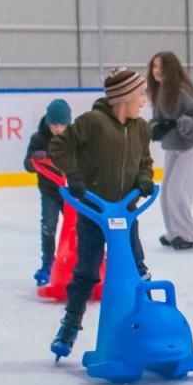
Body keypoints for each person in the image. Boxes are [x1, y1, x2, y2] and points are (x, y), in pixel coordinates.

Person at [46, 67, 154, 358]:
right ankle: (69, 326)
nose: (144, 101)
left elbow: (145, 160)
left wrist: (144, 177)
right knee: (86, 272)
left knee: (138, 267)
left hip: (126, 214)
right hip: (94, 213)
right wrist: (75, 176)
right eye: (141, 95)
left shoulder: (142, 128)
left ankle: (149, 322)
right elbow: (60, 146)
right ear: (124, 97)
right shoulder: (92, 123)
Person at [147, 50, 193, 250]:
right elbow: (159, 119)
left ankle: (188, 234)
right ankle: (174, 231)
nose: (156, 71)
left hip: (189, 146)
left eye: (161, 67)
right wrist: (155, 128)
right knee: (166, 191)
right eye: (154, 67)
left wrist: (176, 123)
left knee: (176, 190)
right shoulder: (159, 91)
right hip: (174, 146)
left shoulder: (180, 91)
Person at [23, 99, 72, 285]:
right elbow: (27, 164)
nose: (58, 129)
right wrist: (35, 160)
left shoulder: (74, 136)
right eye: (54, 124)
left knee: (76, 229)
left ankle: (77, 262)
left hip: (71, 192)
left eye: (62, 125)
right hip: (49, 191)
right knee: (48, 226)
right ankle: (47, 264)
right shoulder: (39, 138)